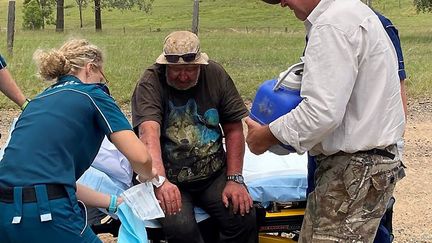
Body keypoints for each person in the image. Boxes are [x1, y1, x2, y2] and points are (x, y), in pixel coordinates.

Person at [247, 0, 406, 242]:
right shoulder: (353, 13)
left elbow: (321, 112)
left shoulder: (332, 25)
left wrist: (265, 136)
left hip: (353, 170)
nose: (281, 3)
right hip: (362, 166)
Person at [0, 39, 154, 243]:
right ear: (90, 68)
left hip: (5, 210)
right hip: (48, 213)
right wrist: (150, 177)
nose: (102, 82)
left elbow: (52, 181)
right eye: (102, 76)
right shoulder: (92, 95)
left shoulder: (37, 102)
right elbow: (141, 158)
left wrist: (114, 203)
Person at [131, 30, 257, 243]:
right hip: (170, 176)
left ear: (200, 64)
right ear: (165, 66)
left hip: (213, 173)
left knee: (243, 216)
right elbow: (148, 133)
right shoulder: (150, 82)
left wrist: (235, 178)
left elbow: (234, 129)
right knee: (182, 229)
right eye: (176, 70)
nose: (183, 76)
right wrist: (160, 182)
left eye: (190, 69)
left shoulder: (215, 75)